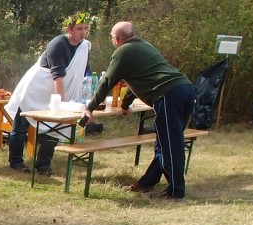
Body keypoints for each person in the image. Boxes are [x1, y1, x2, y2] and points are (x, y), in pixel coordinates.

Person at [82, 22, 195, 199]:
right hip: (185, 89)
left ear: (116, 39)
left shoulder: (123, 52)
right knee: (164, 143)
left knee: (170, 145)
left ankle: (176, 192)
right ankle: (146, 183)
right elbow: (133, 82)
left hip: (169, 94)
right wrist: (125, 105)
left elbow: (107, 81)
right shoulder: (144, 46)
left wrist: (89, 108)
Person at [5, 12, 92, 176]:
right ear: (69, 29)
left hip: (60, 91)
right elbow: (57, 76)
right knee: (20, 127)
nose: (83, 32)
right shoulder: (58, 44)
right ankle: (15, 162)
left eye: (85, 29)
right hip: (37, 89)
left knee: (56, 127)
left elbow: (85, 72)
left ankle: (43, 165)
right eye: (79, 29)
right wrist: (62, 104)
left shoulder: (84, 47)